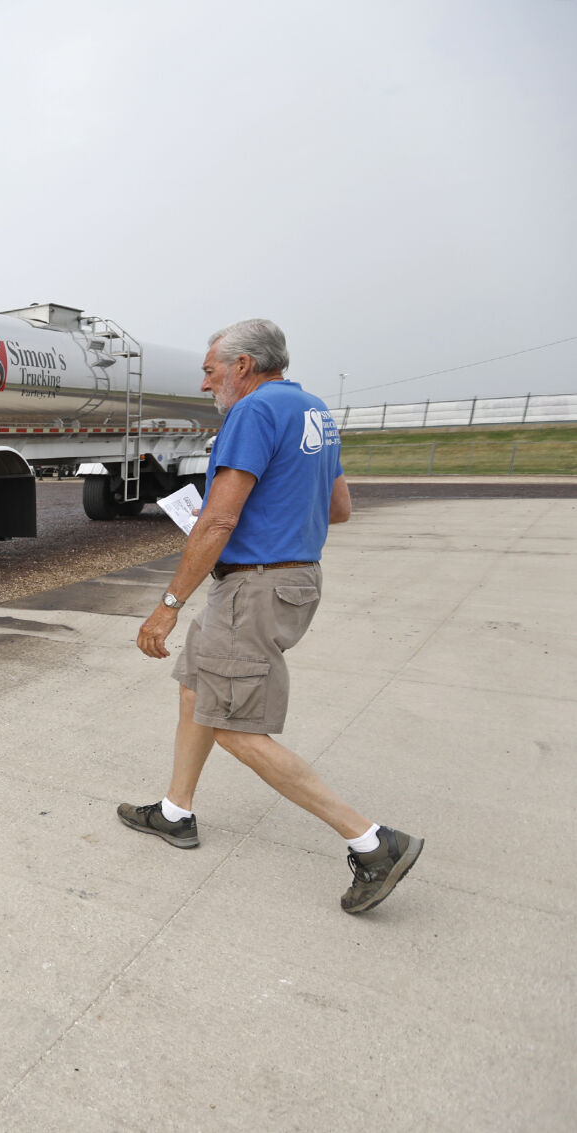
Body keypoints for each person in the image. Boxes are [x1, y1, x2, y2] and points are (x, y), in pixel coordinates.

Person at [120, 318, 422, 914]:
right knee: (196, 690)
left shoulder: (252, 413)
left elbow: (218, 519)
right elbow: (339, 508)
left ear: (242, 366)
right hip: (289, 578)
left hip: (253, 588)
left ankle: (372, 841)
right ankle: (176, 812)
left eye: (210, 371)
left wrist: (168, 606)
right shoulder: (313, 410)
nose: (206, 385)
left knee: (235, 726)